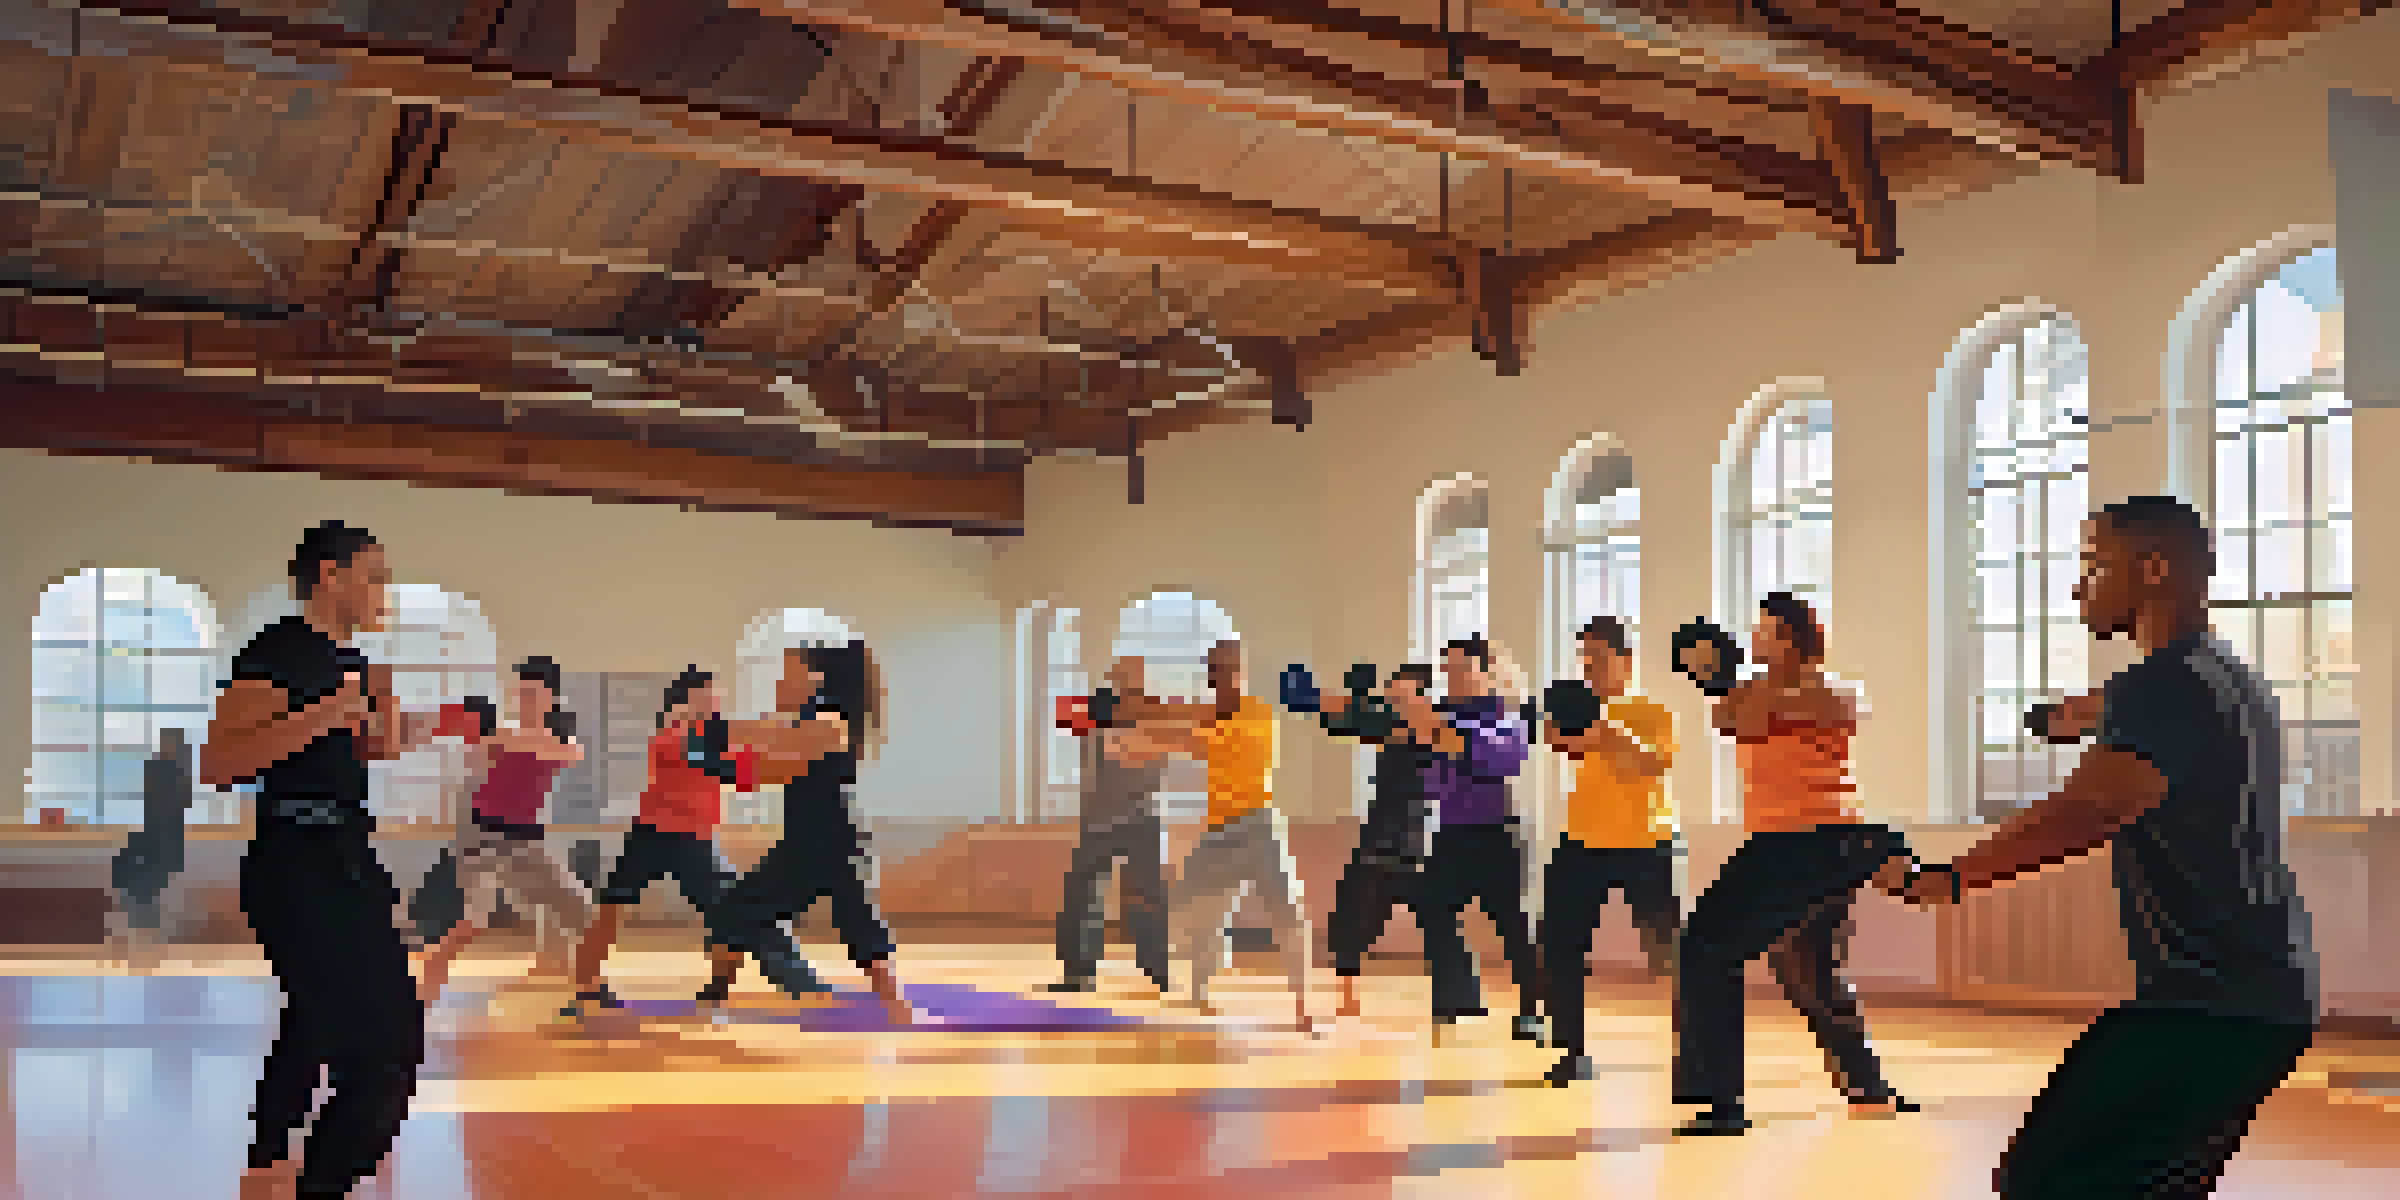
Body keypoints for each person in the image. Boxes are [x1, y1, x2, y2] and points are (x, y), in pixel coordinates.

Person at [1888, 497, 2318, 1196]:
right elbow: (2115, 714)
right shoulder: (2224, 675)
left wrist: (1950, 876)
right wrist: (2066, 718)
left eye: (2093, 566)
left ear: (2153, 568)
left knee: (2044, 1179)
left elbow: (2093, 807)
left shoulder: (2164, 684)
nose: (2077, 586)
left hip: (2207, 1008)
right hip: (2256, 998)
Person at [204, 521, 441, 1198]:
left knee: (317, 1016)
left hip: (343, 852)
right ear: (331, 576)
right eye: (375, 576)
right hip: (297, 860)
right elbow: (220, 762)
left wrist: (387, 711)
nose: (384, 590)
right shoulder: (278, 652)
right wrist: (326, 712)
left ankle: (273, 1145)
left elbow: (366, 750)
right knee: (385, 1047)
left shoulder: (351, 662)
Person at [1669, 591, 1918, 1136]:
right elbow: (1732, 721)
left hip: (1813, 840)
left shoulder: (1832, 690)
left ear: (1793, 637)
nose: (1755, 637)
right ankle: (1869, 1089)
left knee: (1704, 949)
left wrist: (1739, 684)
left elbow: (1809, 709)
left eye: (1765, 629)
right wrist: (1716, 679)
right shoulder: (1748, 692)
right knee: (1807, 965)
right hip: (1789, 842)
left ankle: (1718, 1105)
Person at [697, 641, 914, 1025]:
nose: (779, 682)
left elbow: (773, 746)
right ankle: (715, 996)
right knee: (735, 911)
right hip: (804, 842)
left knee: (858, 925)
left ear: (815, 677)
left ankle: (898, 1008)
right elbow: (768, 762)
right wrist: (712, 755)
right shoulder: (808, 719)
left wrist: (712, 739)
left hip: (835, 842)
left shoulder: (828, 720)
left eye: (788, 672)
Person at [565, 668, 799, 1016]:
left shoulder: (718, 741)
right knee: (611, 909)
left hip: (696, 840)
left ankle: (719, 986)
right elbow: (717, 762)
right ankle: (587, 988)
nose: (713, 702)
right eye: (705, 696)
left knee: (728, 910)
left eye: (715, 696)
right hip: (651, 835)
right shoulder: (671, 736)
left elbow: (747, 776)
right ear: (685, 701)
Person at [1539, 616, 1680, 1086]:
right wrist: (1563, 727)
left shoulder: (1653, 711)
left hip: (1647, 843)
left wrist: (1606, 727)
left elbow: (1653, 763)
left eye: (1598, 659)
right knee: (1559, 947)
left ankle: (1696, 1050)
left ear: (1626, 661)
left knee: (1669, 954)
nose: (1590, 668)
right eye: (1585, 659)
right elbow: (1565, 743)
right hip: (1581, 843)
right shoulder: (1583, 710)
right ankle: (1572, 1052)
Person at [1155, 640, 1317, 1031]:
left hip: (1258, 825)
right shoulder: (1207, 717)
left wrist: (1159, 731)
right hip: (1217, 831)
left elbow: (1194, 741)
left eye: (1230, 668)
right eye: (1217, 669)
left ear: (1241, 672)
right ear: (1211, 675)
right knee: (1191, 907)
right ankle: (1199, 990)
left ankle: (1303, 1005)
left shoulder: (1258, 714)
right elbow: (1182, 733)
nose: (1223, 676)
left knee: (1287, 910)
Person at [414, 657, 593, 1006]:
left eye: (532, 694)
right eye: (520, 693)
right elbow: (494, 750)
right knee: (473, 920)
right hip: (481, 837)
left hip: (525, 841)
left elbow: (569, 752)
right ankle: (425, 988)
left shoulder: (553, 738)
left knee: (581, 911)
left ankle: (588, 988)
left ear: (550, 697)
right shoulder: (502, 732)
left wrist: (538, 737)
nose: (523, 700)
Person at [1405, 635, 1543, 1041]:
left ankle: (1533, 1010)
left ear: (1485, 673)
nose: (1453, 677)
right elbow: (1431, 778)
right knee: (1430, 903)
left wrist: (1446, 733)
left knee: (1513, 925)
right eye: (1448, 670)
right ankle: (1458, 995)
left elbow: (1506, 757)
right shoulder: (1437, 718)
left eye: (1462, 669)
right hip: (1451, 835)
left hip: (1498, 835)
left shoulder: (1506, 716)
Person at [1047, 656, 1176, 997]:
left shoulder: (1154, 713)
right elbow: (1062, 716)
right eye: (1122, 676)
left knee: (1148, 897)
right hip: (1099, 819)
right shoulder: (1098, 707)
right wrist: (1102, 704)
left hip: (1140, 817)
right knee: (1082, 897)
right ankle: (1078, 974)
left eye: (1134, 677)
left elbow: (1163, 757)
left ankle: (1158, 972)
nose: (1128, 683)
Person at [1317, 664, 1437, 1020]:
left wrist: (1361, 710)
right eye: (1392, 694)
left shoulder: (1435, 725)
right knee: (1350, 916)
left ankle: (1449, 1000)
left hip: (1417, 842)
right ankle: (1347, 996)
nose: (1395, 700)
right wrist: (1344, 702)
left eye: (1401, 694)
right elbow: (1338, 724)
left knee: (1441, 924)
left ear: (1421, 695)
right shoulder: (1386, 724)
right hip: (1378, 837)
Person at [109, 725, 195, 970]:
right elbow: (161, 806)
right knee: (136, 880)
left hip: (161, 842)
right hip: (161, 841)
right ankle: (144, 933)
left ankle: (144, 934)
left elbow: (162, 805)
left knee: (139, 882)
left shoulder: (167, 773)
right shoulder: (173, 773)